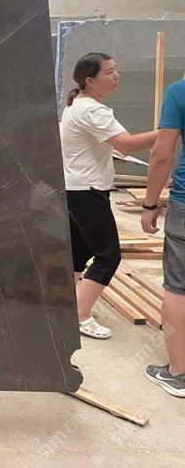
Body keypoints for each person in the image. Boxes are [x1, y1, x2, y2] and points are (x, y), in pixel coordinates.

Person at [60, 52, 156, 339]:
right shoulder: (92, 111)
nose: (117, 76)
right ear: (90, 81)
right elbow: (127, 144)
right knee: (108, 255)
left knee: (79, 252)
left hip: (75, 188)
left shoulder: (78, 104)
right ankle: (80, 315)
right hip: (88, 191)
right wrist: (168, 131)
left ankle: (63, 306)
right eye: (109, 72)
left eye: (116, 70)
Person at [139, 81, 185, 397]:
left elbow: (161, 153)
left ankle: (178, 372)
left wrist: (149, 204)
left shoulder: (179, 91)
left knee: (178, 287)